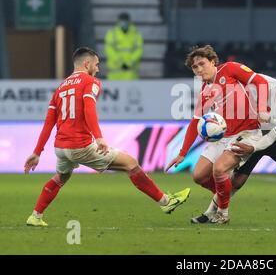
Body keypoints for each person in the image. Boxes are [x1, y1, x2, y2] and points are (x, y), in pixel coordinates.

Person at [24, 47, 190, 227]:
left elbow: (49, 122)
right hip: (80, 146)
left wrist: (37, 152)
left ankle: (35, 216)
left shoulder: (60, 88)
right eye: (96, 64)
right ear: (86, 64)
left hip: (61, 148)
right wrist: (99, 137)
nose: (98, 69)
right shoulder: (90, 81)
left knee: (60, 177)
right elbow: (89, 108)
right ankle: (165, 202)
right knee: (131, 163)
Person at [191, 68, 276, 226]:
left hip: (275, 138)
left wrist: (253, 149)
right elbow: (236, 86)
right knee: (236, 182)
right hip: (251, 134)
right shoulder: (263, 84)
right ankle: (210, 213)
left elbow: (271, 137)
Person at [166, 45, 270, 224]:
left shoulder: (230, 69)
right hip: (224, 137)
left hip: (247, 132)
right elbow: (194, 123)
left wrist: (261, 109)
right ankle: (222, 197)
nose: (199, 69)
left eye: (202, 64)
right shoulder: (205, 92)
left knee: (219, 170)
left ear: (213, 62)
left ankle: (223, 213)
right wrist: (182, 153)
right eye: (194, 67)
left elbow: (260, 82)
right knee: (198, 176)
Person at [105, 12, 143, 80]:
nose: (124, 23)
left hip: (131, 73)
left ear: (129, 21)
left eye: (126, 21)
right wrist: (120, 62)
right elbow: (109, 50)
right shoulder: (112, 33)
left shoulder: (136, 34)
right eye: (122, 21)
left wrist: (129, 62)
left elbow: (139, 50)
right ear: (118, 21)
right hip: (115, 73)